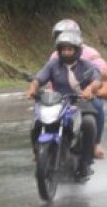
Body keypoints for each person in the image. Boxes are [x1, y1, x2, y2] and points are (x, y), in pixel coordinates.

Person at [26, 31, 101, 181]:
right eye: (63, 49)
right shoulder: (53, 65)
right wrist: (32, 88)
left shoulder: (87, 66)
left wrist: (89, 89)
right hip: (57, 102)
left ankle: (84, 164)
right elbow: (39, 78)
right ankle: (38, 153)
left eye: (69, 49)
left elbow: (96, 80)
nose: (66, 52)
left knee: (89, 123)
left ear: (77, 50)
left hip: (80, 102)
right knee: (37, 122)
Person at [47, 19, 107, 160]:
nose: (64, 39)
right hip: (60, 97)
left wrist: (99, 74)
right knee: (41, 111)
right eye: (59, 36)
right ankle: (41, 146)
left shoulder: (88, 52)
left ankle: (96, 144)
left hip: (84, 97)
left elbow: (104, 68)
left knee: (97, 106)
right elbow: (48, 75)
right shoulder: (55, 56)